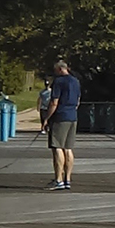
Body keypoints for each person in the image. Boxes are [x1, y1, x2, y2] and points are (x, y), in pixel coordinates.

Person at [44, 60, 80, 190]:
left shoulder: (59, 82)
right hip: (72, 117)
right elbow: (78, 101)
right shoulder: (76, 81)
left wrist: (46, 118)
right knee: (68, 148)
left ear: (59, 69)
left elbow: (54, 102)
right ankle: (67, 179)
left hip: (60, 116)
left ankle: (58, 179)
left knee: (57, 147)